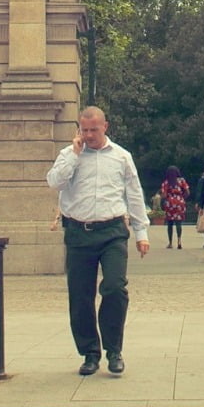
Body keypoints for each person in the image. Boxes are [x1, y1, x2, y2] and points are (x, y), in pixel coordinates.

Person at [46, 106, 149, 376]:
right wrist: (75, 156)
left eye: (94, 129)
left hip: (112, 230)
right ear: (78, 129)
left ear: (106, 127)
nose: (89, 135)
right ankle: (90, 352)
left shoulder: (121, 157)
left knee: (115, 288)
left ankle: (114, 349)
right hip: (79, 232)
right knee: (80, 297)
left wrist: (141, 233)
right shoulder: (69, 155)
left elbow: (134, 193)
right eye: (84, 129)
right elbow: (54, 182)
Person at [159, 165, 190, 249]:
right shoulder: (182, 181)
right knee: (178, 222)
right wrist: (182, 198)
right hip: (179, 202)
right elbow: (187, 192)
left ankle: (170, 243)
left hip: (170, 203)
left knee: (170, 223)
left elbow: (164, 195)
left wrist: (164, 199)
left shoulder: (166, 182)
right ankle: (179, 241)